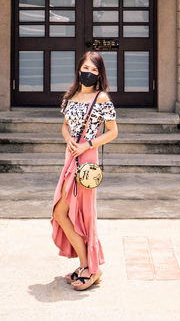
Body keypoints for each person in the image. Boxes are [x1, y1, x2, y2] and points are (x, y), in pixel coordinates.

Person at [51, 51, 118, 291]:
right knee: (61, 212)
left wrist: (87, 145)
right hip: (71, 156)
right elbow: (64, 127)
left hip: (87, 158)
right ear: (79, 69)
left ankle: (91, 268)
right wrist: (69, 139)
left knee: (84, 213)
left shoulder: (101, 99)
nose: (88, 73)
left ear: (99, 75)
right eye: (86, 68)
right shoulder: (71, 96)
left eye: (94, 70)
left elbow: (113, 132)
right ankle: (86, 264)